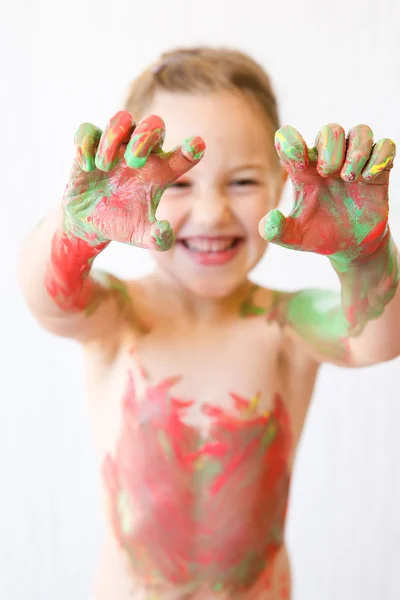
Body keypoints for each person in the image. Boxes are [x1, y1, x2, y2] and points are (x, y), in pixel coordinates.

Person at [18, 46, 400, 600]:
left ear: (281, 185)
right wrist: (74, 231)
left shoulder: (286, 324)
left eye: (242, 182)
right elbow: (48, 300)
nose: (213, 212)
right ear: (127, 188)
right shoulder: (120, 317)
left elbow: (377, 340)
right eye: (177, 183)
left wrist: (365, 256)